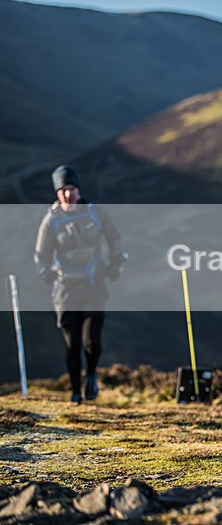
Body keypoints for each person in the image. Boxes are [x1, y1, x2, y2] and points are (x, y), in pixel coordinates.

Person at [34, 164, 126, 405]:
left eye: (72, 188)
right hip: (65, 289)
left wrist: (116, 262)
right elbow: (41, 254)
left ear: (79, 189)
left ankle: (92, 375)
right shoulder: (51, 221)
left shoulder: (95, 213)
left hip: (94, 283)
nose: (68, 194)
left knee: (91, 340)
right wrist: (47, 274)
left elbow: (114, 237)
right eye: (63, 190)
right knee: (72, 343)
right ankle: (76, 391)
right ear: (57, 193)